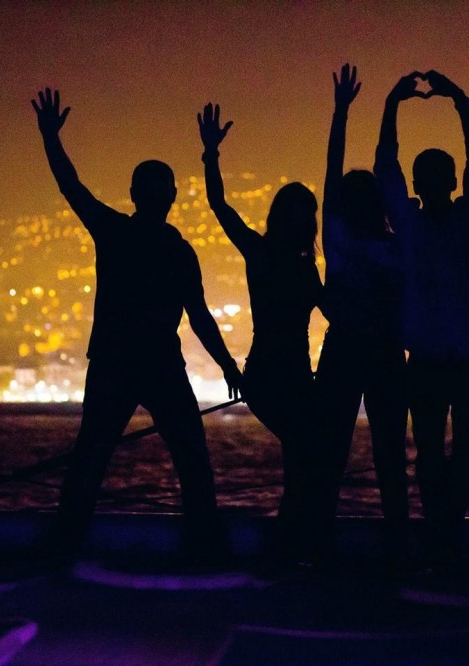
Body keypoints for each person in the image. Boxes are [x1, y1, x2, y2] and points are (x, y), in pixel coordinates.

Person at [31, 88, 243, 564]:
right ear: (169, 196)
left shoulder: (117, 233)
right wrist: (229, 365)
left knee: (92, 459)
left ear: (137, 195)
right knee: (190, 458)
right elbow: (201, 316)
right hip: (155, 365)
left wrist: (50, 139)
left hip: (116, 362)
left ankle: (63, 550)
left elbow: (72, 186)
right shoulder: (175, 249)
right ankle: (204, 549)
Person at [197, 102, 323, 562]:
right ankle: (289, 544)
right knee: (303, 456)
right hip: (273, 378)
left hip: (289, 378)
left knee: (303, 458)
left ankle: (289, 542)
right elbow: (219, 206)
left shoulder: (297, 264)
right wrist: (210, 156)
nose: (306, 222)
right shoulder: (268, 254)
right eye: (303, 213)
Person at [374, 70, 469, 539]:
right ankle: (446, 531)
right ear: (446, 181)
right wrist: (460, 101)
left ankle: (440, 532)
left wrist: (393, 103)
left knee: (439, 450)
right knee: (456, 449)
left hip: (436, 360)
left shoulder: (413, 223)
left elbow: (388, 167)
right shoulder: (466, 217)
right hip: (452, 360)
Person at [315, 64, 411, 567]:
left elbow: (331, 173)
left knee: (333, 450)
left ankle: (323, 544)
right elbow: (352, 171)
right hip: (383, 352)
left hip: (347, 348)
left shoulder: (338, 239)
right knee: (389, 454)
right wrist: (345, 112)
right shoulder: (397, 248)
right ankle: (398, 545)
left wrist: (341, 112)